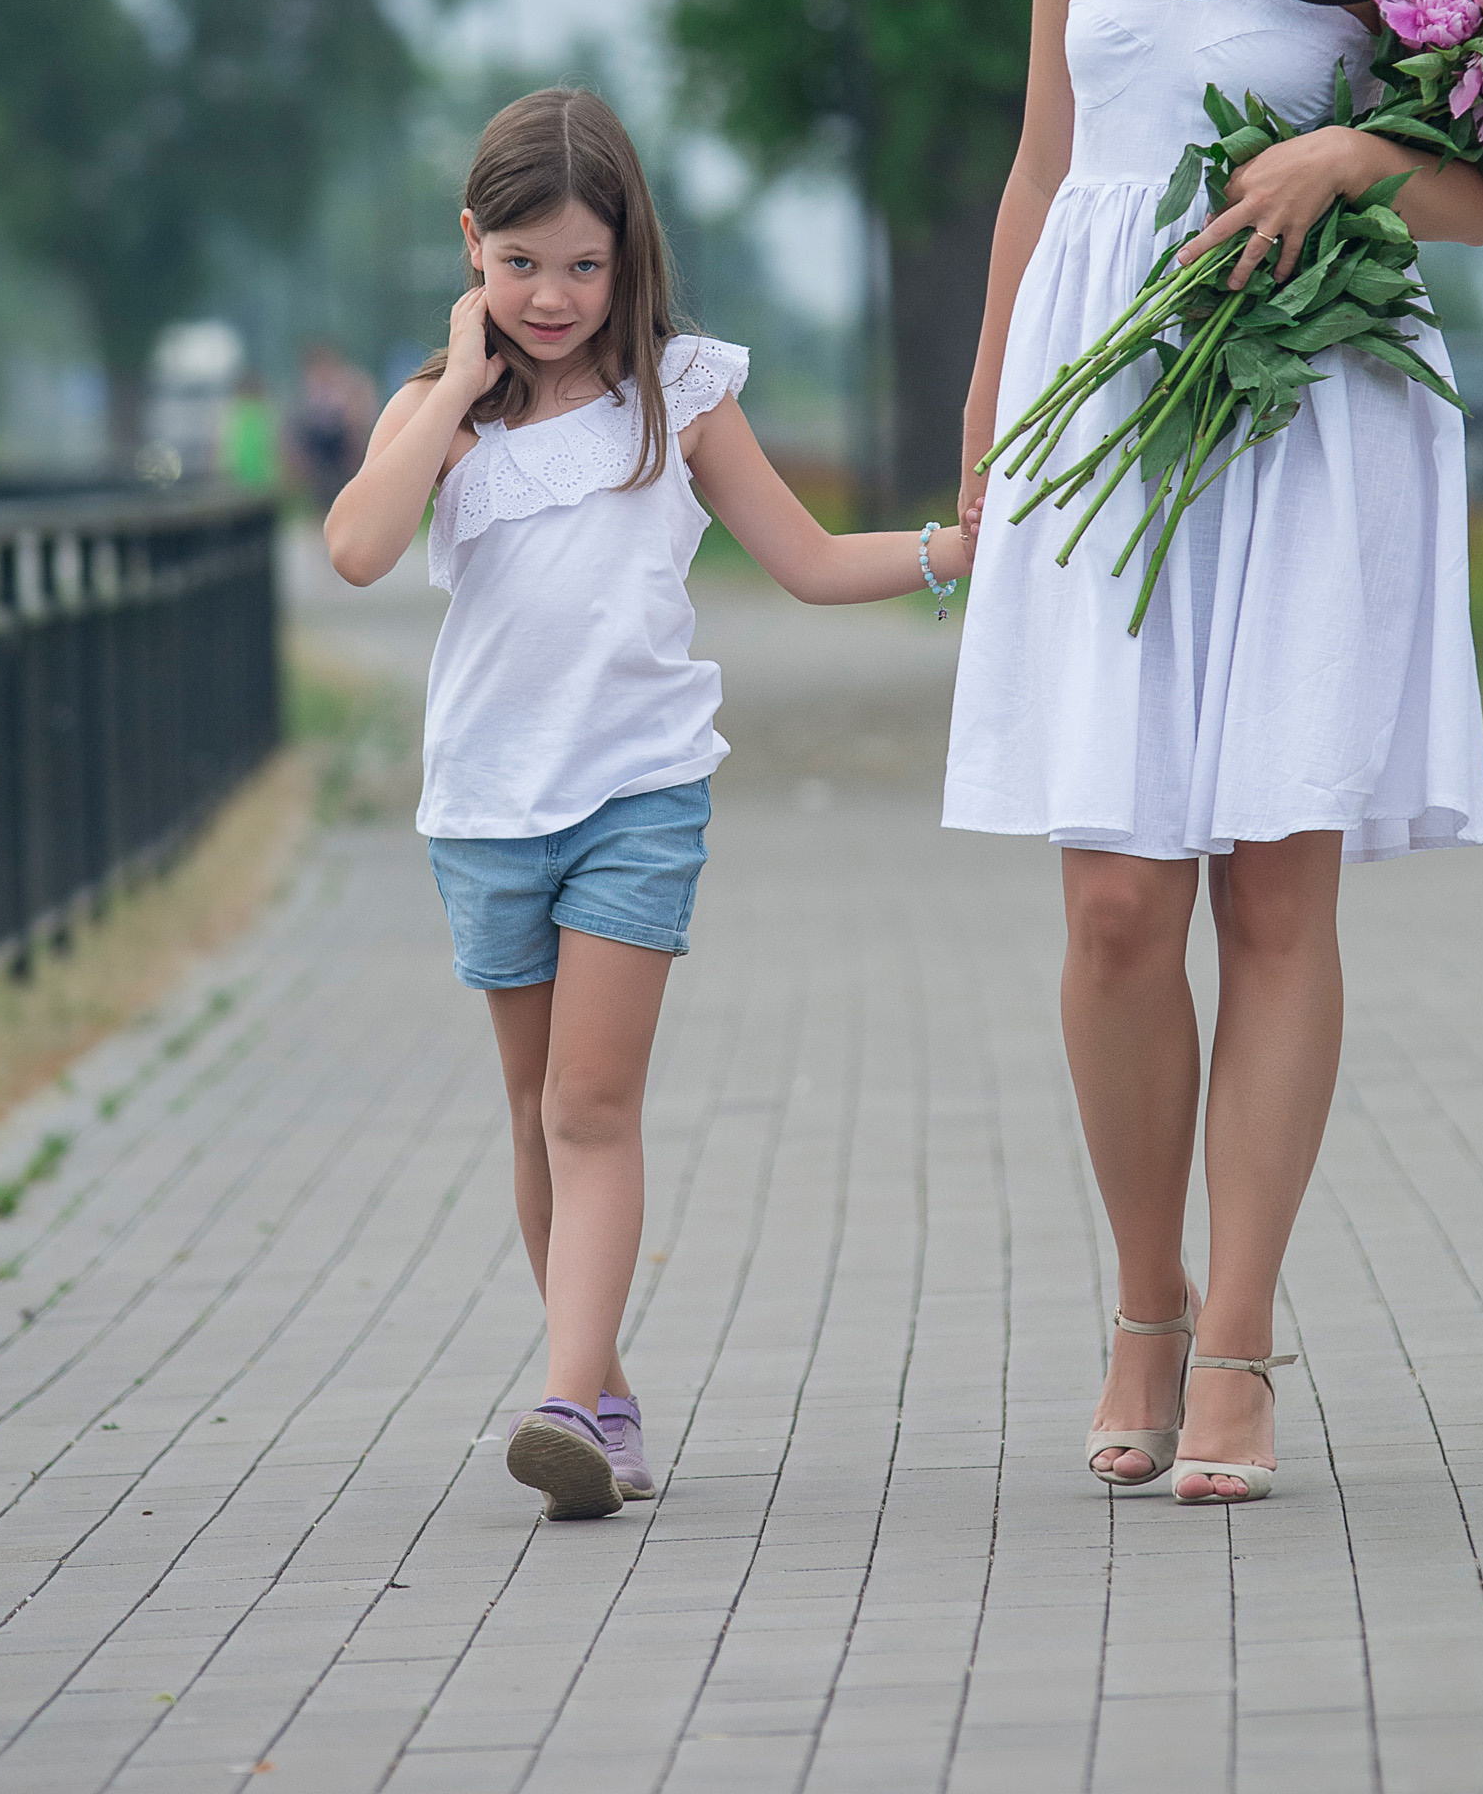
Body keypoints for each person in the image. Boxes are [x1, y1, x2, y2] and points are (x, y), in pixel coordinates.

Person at [946, 0, 1483, 1507]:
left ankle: (1244, 1342)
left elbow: (1480, 193)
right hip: (1104, 416)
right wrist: (987, 416)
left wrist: (1346, 152)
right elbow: (1043, 171)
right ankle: (1144, 1304)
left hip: (1305, 423)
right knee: (1115, 906)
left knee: (1274, 895)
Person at [325, 87, 971, 1523]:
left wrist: (960, 549)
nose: (552, 297)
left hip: (637, 794)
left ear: (629, 255)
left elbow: (807, 560)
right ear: (472, 247)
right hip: (488, 807)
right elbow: (357, 548)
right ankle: (601, 1396)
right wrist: (453, 382)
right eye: (519, 265)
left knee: (590, 1104)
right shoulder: (442, 417)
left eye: (583, 264)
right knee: (531, 1111)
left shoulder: (681, 393)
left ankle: (563, 1401)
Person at [288, 344, 379, 516]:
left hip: (344, 443)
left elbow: (360, 417)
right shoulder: (310, 388)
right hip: (321, 448)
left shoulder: (350, 383)